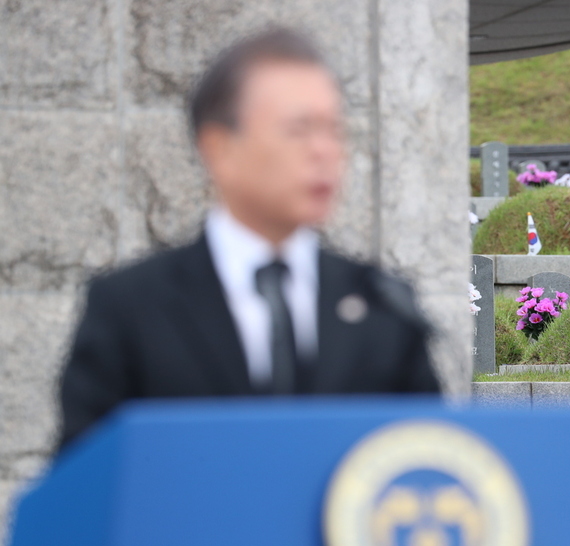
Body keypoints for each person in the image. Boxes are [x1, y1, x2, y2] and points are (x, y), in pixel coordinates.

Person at [58, 28, 439, 449]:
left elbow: (425, 464)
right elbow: (85, 486)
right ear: (219, 148)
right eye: (299, 129)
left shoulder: (384, 306)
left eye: (334, 130)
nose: (324, 151)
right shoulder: (129, 307)